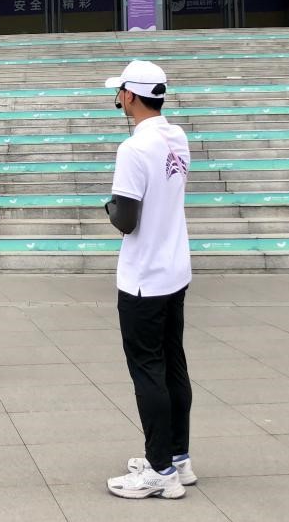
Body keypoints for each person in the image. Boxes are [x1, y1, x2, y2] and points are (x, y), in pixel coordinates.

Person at [102, 60, 195, 501]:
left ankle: (159, 471)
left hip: (143, 277)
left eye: (119, 92)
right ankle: (178, 457)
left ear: (129, 95)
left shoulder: (133, 148)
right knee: (173, 363)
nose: (117, 98)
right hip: (175, 269)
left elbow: (125, 218)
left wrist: (107, 207)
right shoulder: (177, 137)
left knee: (147, 371)